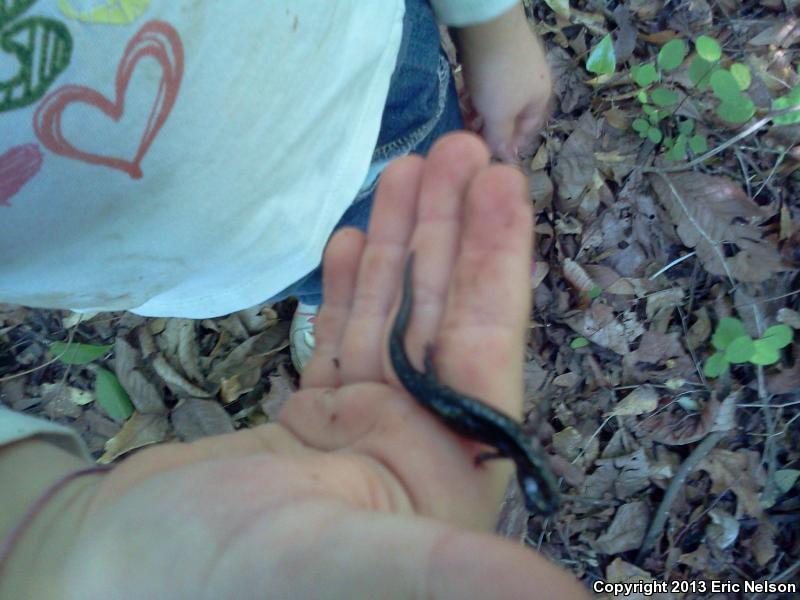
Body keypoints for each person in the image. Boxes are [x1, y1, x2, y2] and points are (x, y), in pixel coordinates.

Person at [0, 133, 590, 599]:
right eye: (534, 492)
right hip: (426, 389)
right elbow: (488, 443)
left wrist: (52, 532)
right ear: (530, 475)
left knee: (415, 349)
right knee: (411, 349)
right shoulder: (506, 450)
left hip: (430, 388)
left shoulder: (510, 448)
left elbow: (492, 442)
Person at [0, 0, 551, 370]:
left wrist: (490, 25)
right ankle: (329, 295)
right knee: (303, 270)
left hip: (365, 92)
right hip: (183, 260)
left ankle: (409, 280)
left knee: (415, 217)